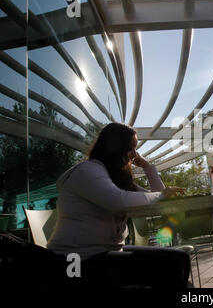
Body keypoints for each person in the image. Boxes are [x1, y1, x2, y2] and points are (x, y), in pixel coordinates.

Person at [47, 122, 189, 287]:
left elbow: (156, 199)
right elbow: (119, 202)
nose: (134, 155)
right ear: (117, 148)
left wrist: (148, 167)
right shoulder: (87, 171)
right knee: (172, 265)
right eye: (131, 148)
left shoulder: (113, 177)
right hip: (74, 261)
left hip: (105, 253)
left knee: (179, 258)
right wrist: (161, 194)